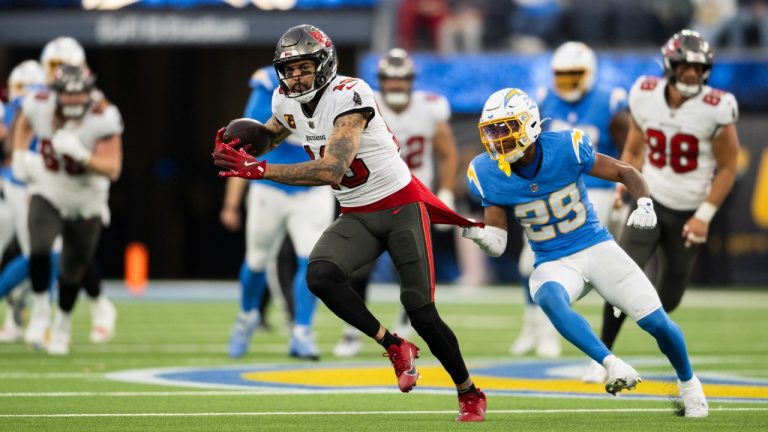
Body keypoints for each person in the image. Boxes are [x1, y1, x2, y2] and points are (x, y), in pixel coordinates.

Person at [213, 24, 487, 422]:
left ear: (324, 64)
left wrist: (259, 169)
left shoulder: (350, 94)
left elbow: (332, 168)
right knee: (321, 275)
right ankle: (394, 345)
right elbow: (273, 134)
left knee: (421, 312)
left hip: (400, 206)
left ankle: (468, 391)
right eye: (288, 70)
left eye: (304, 67)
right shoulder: (284, 100)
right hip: (356, 211)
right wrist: (240, 145)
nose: (295, 77)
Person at [463, 87, 708, 417]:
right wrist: (474, 232)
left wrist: (645, 201)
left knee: (658, 324)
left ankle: (690, 385)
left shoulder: (565, 147)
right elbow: (497, 243)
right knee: (545, 294)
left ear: (529, 125)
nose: (496, 139)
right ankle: (610, 363)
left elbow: (626, 171)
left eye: (504, 128)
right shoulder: (486, 173)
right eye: (491, 130)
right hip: (554, 261)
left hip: (596, 247)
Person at [585, 29, 741, 383]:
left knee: (668, 297)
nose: (691, 74)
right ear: (670, 66)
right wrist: (626, 182)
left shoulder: (718, 106)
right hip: (649, 201)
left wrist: (704, 216)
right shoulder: (644, 93)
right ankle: (602, 357)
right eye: (685, 67)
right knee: (618, 277)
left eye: (698, 69)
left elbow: (729, 166)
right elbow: (636, 146)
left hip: (690, 208)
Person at [332, 47, 460, 358]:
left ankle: (405, 325)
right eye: (390, 79)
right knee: (358, 268)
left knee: (412, 271)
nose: (396, 86)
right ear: (381, 80)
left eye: (402, 80)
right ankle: (353, 331)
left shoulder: (429, 107)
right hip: (370, 196)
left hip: (411, 197)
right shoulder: (360, 104)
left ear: (411, 81)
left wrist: (446, 190)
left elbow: (448, 152)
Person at [511, 41, 630, 359]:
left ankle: (550, 331)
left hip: (596, 191)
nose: (567, 81)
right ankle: (532, 325)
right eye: (561, 75)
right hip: (551, 190)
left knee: (569, 266)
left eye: (574, 74)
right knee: (529, 262)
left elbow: (627, 147)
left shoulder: (611, 100)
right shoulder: (544, 99)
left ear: (589, 72)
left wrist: (624, 188)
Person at [219, 64, 334, 360]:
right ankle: (246, 317)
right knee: (257, 260)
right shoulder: (268, 86)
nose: (299, 75)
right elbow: (243, 149)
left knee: (313, 263)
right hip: (270, 185)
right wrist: (232, 203)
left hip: (313, 185)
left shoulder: (339, 91)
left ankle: (302, 331)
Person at [11, 63, 123, 355]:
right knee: (38, 249)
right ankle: (39, 309)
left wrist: (83, 155)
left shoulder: (103, 116)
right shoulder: (39, 104)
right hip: (48, 187)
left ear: (89, 92)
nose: (73, 100)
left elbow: (113, 169)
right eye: (67, 95)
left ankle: (62, 324)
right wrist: (20, 153)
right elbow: (22, 123)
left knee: (72, 271)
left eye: (79, 94)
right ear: (55, 93)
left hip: (87, 198)